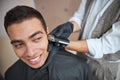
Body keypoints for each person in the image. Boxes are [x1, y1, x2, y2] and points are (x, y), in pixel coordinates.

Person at [4, 5, 93, 80]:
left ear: (47, 32)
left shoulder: (79, 67)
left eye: (37, 39)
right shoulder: (11, 75)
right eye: (18, 44)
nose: (30, 53)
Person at [50, 0, 120, 80]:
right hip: (81, 57)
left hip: (103, 68)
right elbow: (80, 18)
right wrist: (70, 26)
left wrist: (66, 44)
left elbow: (103, 45)